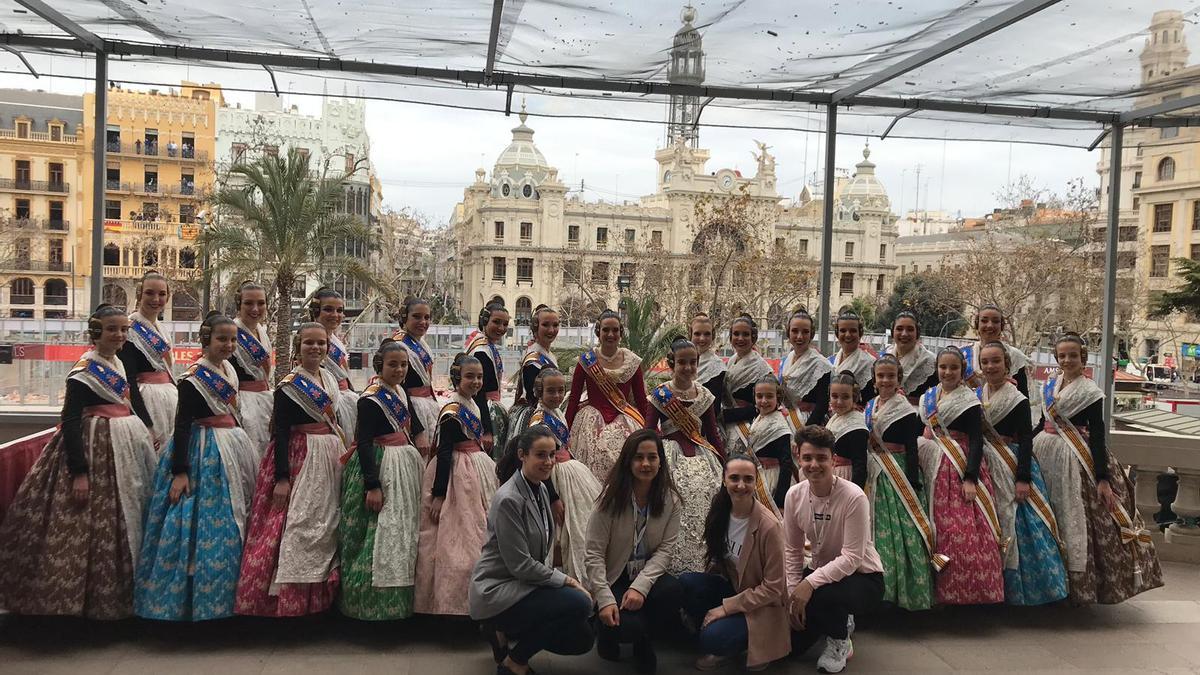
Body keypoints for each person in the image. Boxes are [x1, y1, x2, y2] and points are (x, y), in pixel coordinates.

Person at [0, 305, 156, 619]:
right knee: (90, 527)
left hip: (126, 449)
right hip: (95, 449)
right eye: (113, 329)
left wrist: (147, 426)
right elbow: (70, 421)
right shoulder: (84, 370)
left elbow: (131, 400)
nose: (120, 335)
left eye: (124, 330)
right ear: (96, 332)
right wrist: (79, 472)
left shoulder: (119, 363)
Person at [137, 312, 258, 621]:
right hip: (203, 454)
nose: (228, 345)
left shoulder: (230, 369)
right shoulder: (193, 378)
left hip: (233, 448)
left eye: (232, 339)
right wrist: (180, 471)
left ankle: (230, 603)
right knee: (198, 532)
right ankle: (193, 603)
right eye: (222, 339)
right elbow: (182, 424)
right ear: (206, 340)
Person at [1033, 334, 1163, 604]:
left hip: (1076, 460)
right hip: (1045, 454)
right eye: (1062, 356)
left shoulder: (1090, 391)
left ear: (1083, 358)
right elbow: (1042, 422)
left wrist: (1102, 478)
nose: (1067, 360)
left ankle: (1080, 586)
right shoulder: (1051, 385)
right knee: (1048, 515)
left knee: (1076, 519)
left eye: (1073, 355)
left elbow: (1098, 433)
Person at [235, 323, 345, 616]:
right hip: (300, 458)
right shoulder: (289, 386)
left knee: (327, 525)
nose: (315, 348)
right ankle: (289, 602)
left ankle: (320, 600)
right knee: (297, 525)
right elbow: (280, 432)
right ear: (298, 347)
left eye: (320, 343)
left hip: (328, 456)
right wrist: (282, 477)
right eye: (309, 343)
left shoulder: (330, 380)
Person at [470, 426, 596, 675]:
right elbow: (521, 565)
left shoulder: (538, 488)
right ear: (522, 455)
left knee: (582, 635)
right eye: (540, 455)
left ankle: (503, 632)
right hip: (499, 587)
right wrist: (568, 581)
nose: (548, 462)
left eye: (552, 455)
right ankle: (514, 660)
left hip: (524, 584)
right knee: (579, 603)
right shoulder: (509, 499)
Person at [784, 426, 885, 674]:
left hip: (863, 577)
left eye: (821, 458)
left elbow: (852, 558)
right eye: (807, 458)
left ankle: (841, 641)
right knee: (792, 647)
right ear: (799, 457)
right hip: (823, 573)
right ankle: (836, 618)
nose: (814, 464)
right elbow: (792, 550)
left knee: (820, 596)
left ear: (833, 459)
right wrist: (792, 593)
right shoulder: (794, 495)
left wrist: (807, 586)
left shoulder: (853, 496)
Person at [338, 340, 428, 620]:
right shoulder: (370, 398)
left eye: (403, 365)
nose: (399, 369)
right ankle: (369, 607)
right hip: (381, 465)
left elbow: (414, 425)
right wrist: (372, 485)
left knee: (402, 531)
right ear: (379, 366)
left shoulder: (401, 392)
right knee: (377, 535)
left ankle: (401, 605)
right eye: (393, 364)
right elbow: (363, 442)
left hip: (404, 464)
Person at [975, 341, 1068, 606]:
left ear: (1007, 366)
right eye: (986, 362)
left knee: (1017, 523)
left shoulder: (1017, 398)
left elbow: (1026, 439)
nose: (991, 366)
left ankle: (1022, 592)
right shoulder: (977, 394)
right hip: (983, 464)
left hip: (1009, 464)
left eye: (996, 361)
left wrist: (1023, 478)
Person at [678, 454, 790, 672]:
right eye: (734, 478)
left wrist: (724, 609)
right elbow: (719, 561)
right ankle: (723, 634)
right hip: (734, 588)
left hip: (762, 605)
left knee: (711, 639)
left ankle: (740, 644)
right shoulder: (721, 510)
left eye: (748, 479)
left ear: (756, 481)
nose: (741, 485)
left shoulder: (769, 526)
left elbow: (774, 588)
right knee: (686, 582)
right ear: (724, 480)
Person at [585, 429, 685, 674]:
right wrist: (605, 599)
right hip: (614, 577)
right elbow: (593, 554)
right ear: (628, 461)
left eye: (652, 457)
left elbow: (665, 551)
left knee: (674, 591)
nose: (645, 464)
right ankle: (606, 630)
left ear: (661, 461)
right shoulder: (609, 501)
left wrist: (640, 586)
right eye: (639, 457)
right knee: (625, 627)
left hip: (645, 575)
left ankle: (644, 641)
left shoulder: (670, 500)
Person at [917, 346, 1005, 605]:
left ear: (963, 371)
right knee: (935, 529)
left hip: (957, 467)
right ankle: (936, 593)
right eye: (943, 367)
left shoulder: (969, 400)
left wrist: (970, 478)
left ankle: (966, 593)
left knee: (960, 532)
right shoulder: (930, 396)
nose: (947, 372)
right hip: (931, 463)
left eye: (953, 368)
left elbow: (977, 440)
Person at [414, 353, 500, 616]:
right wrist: (439, 494)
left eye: (480, 377)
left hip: (477, 469)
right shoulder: (452, 410)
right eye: (470, 377)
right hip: (456, 475)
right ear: (456, 378)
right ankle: (453, 605)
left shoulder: (473, 404)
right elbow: (444, 452)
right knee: (456, 542)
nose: (475, 381)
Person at [646, 338, 726, 574]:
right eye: (682, 362)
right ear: (672, 363)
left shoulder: (705, 395)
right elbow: (649, 432)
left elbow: (712, 434)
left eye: (693, 362)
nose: (688, 368)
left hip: (703, 457)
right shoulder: (659, 395)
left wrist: (726, 464)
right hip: (670, 457)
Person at [863, 355, 934, 611]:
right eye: (881, 376)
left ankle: (899, 595)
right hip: (875, 472)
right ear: (874, 379)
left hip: (897, 473)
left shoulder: (904, 409)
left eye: (890, 376)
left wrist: (913, 480)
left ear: (899, 379)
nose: (885, 380)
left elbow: (912, 447)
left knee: (900, 534)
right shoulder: (871, 406)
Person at [526, 368, 596, 580]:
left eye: (560, 390)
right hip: (553, 478)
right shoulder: (539, 420)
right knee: (561, 532)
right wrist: (554, 497)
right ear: (540, 392)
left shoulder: (555, 413)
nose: (557, 396)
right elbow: (539, 467)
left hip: (570, 471)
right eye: (551, 391)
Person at [566, 309, 649, 483]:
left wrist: (650, 430)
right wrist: (565, 431)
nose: (610, 334)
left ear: (621, 333)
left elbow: (641, 400)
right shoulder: (586, 361)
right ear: (598, 331)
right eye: (606, 330)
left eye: (615, 330)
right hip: (590, 421)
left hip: (625, 419)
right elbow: (573, 399)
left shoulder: (632, 361)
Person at [121, 270, 176, 450]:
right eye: (150, 293)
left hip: (168, 403)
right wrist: (146, 422)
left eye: (162, 294)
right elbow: (129, 381)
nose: (156, 299)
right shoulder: (129, 329)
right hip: (145, 403)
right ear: (139, 294)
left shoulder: (162, 330)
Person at [961, 305, 1035, 414]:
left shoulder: (1015, 357)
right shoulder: (962, 355)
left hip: (1004, 420)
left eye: (995, 321)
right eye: (984, 321)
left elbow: (1023, 398)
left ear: (1002, 326)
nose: (990, 325)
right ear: (977, 325)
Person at [389, 296, 438, 456]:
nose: (423, 322)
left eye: (427, 317)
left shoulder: (421, 344)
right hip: (412, 412)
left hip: (427, 408)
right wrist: (417, 431)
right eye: (417, 317)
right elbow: (399, 390)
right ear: (404, 317)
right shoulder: (397, 346)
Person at [230, 280, 273, 460]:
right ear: (239, 304)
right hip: (243, 404)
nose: (255, 309)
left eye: (261, 303)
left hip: (265, 401)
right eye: (249, 303)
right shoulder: (231, 332)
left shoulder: (262, 331)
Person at [721, 314, 775, 454]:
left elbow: (766, 406)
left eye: (745, 334)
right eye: (736, 334)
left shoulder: (762, 369)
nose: (740, 338)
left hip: (749, 429)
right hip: (726, 426)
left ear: (754, 337)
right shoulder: (731, 362)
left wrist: (727, 415)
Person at [468, 301, 512, 458]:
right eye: (496, 322)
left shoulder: (487, 346)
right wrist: (485, 428)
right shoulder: (481, 351)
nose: (501, 328)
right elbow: (479, 391)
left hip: (491, 409)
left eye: (505, 324)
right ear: (484, 320)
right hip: (486, 412)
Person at [310, 287, 357, 433]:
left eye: (339, 310)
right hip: (325, 406)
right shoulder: (309, 339)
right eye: (328, 309)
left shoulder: (336, 341)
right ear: (316, 311)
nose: (335, 315)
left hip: (346, 402)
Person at [509, 304, 560, 436]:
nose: (551, 330)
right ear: (535, 327)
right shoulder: (533, 360)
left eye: (555, 325)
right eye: (546, 325)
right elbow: (534, 397)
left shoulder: (550, 356)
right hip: (537, 418)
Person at [778, 308, 832, 429]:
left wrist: (805, 432)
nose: (799, 336)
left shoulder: (821, 364)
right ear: (788, 332)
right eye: (795, 331)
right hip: (787, 420)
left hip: (810, 423)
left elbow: (822, 404)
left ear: (811, 334)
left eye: (805, 332)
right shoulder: (786, 360)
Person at [748, 376, 796, 508]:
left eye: (769, 396)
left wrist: (780, 500)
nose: (764, 401)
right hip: (759, 475)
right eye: (759, 396)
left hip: (772, 480)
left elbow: (786, 463)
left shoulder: (779, 425)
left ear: (778, 398)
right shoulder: (759, 417)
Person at [879, 311, 938, 404]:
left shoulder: (931, 363)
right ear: (892, 332)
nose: (904, 334)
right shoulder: (883, 357)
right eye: (899, 329)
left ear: (917, 333)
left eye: (910, 329)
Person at [826, 371, 868, 489]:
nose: (839, 402)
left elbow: (860, 465)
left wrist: (855, 493)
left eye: (845, 397)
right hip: (832, 475)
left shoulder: (857, 425)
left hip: (847, 479)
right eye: (834, 396)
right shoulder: (835, 417)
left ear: (854, 398)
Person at [828, 309, 876, 404]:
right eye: (843, 330)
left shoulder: (869, 363)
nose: (848, 335)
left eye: (853, 331)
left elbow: (870, 400)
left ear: (860, 333)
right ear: (837, 334)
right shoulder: (832, 360)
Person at [691, 313, 727, 423]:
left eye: (707, 334)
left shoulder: (717, 367)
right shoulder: (682, 360)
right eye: (697, 334)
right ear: (690, 334)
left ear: (713, 336)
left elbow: (714, 409)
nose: (702, 339)